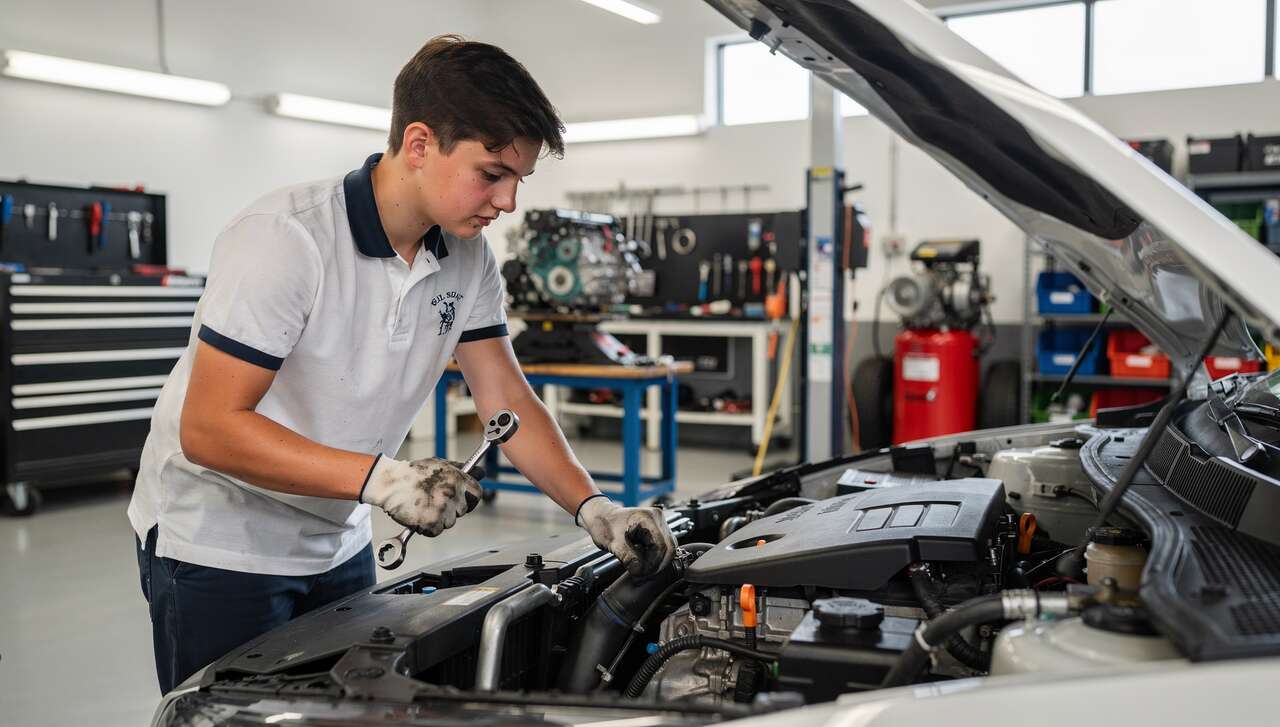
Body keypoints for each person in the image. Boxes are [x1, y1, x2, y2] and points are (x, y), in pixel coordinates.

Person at [127, 34, 676, 694]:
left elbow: (506, 398)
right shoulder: (286, 238)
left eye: (518, 180)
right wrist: (383, 479)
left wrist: (594, 508)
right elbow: (210, 428)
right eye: (491, 174)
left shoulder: (467, 258)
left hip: (338, 536)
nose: (508, 202)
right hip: (220, 540)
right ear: (419, 145)